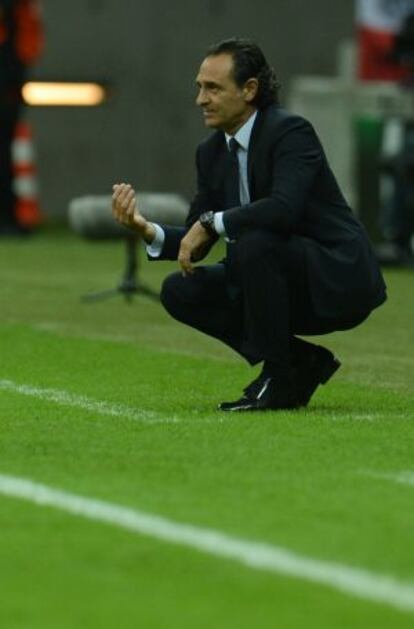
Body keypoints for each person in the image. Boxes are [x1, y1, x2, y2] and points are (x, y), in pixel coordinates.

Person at [112, 38, 387, 412]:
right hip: (272, 277)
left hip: (333, 279)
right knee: (180, 290)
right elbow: (199, 234)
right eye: (199, 87)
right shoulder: (210, 152)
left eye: (213, 88)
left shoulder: (290, 132)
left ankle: (276, 376)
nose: (201, 99)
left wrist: (212, 223)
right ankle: (299, 362)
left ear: (250, 90)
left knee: (254, 244)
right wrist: (146, 229)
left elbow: (283, 210)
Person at [0, 0, 43, 235]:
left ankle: (8, 215)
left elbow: (29, 39)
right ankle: (8, 216)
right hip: (10, 71)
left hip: (10, 73)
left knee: (5, 149)